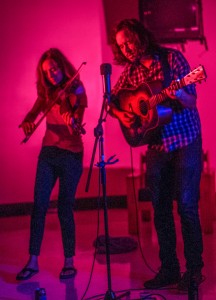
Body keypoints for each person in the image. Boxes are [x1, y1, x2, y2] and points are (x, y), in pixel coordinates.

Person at [109, 18, 204, 291]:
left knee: (186, 206)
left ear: (140, 36)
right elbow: (112, 101)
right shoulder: (131, 72)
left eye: (128, 41)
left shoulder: (172, 59)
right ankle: (169, 269)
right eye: (121, 45)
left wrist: (176, 91)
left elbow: (192, 100)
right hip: (156, 146)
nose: (126, 48)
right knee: (160, 209)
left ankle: (195, 272)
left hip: (185, 140)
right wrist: (124, 115)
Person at [16, 48, 87, 280]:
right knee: (39, 206)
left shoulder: (77, 89)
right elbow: (34, 113)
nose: (52, 75)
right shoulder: (47, 93)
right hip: (48, 154)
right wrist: (28, 121)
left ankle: (69, 261)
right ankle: (33, 261)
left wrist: (71, 119)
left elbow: (77, 122)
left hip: (71, 155)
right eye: (47, 73)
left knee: (65, 208)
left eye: (55, 69)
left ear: (62, 66)